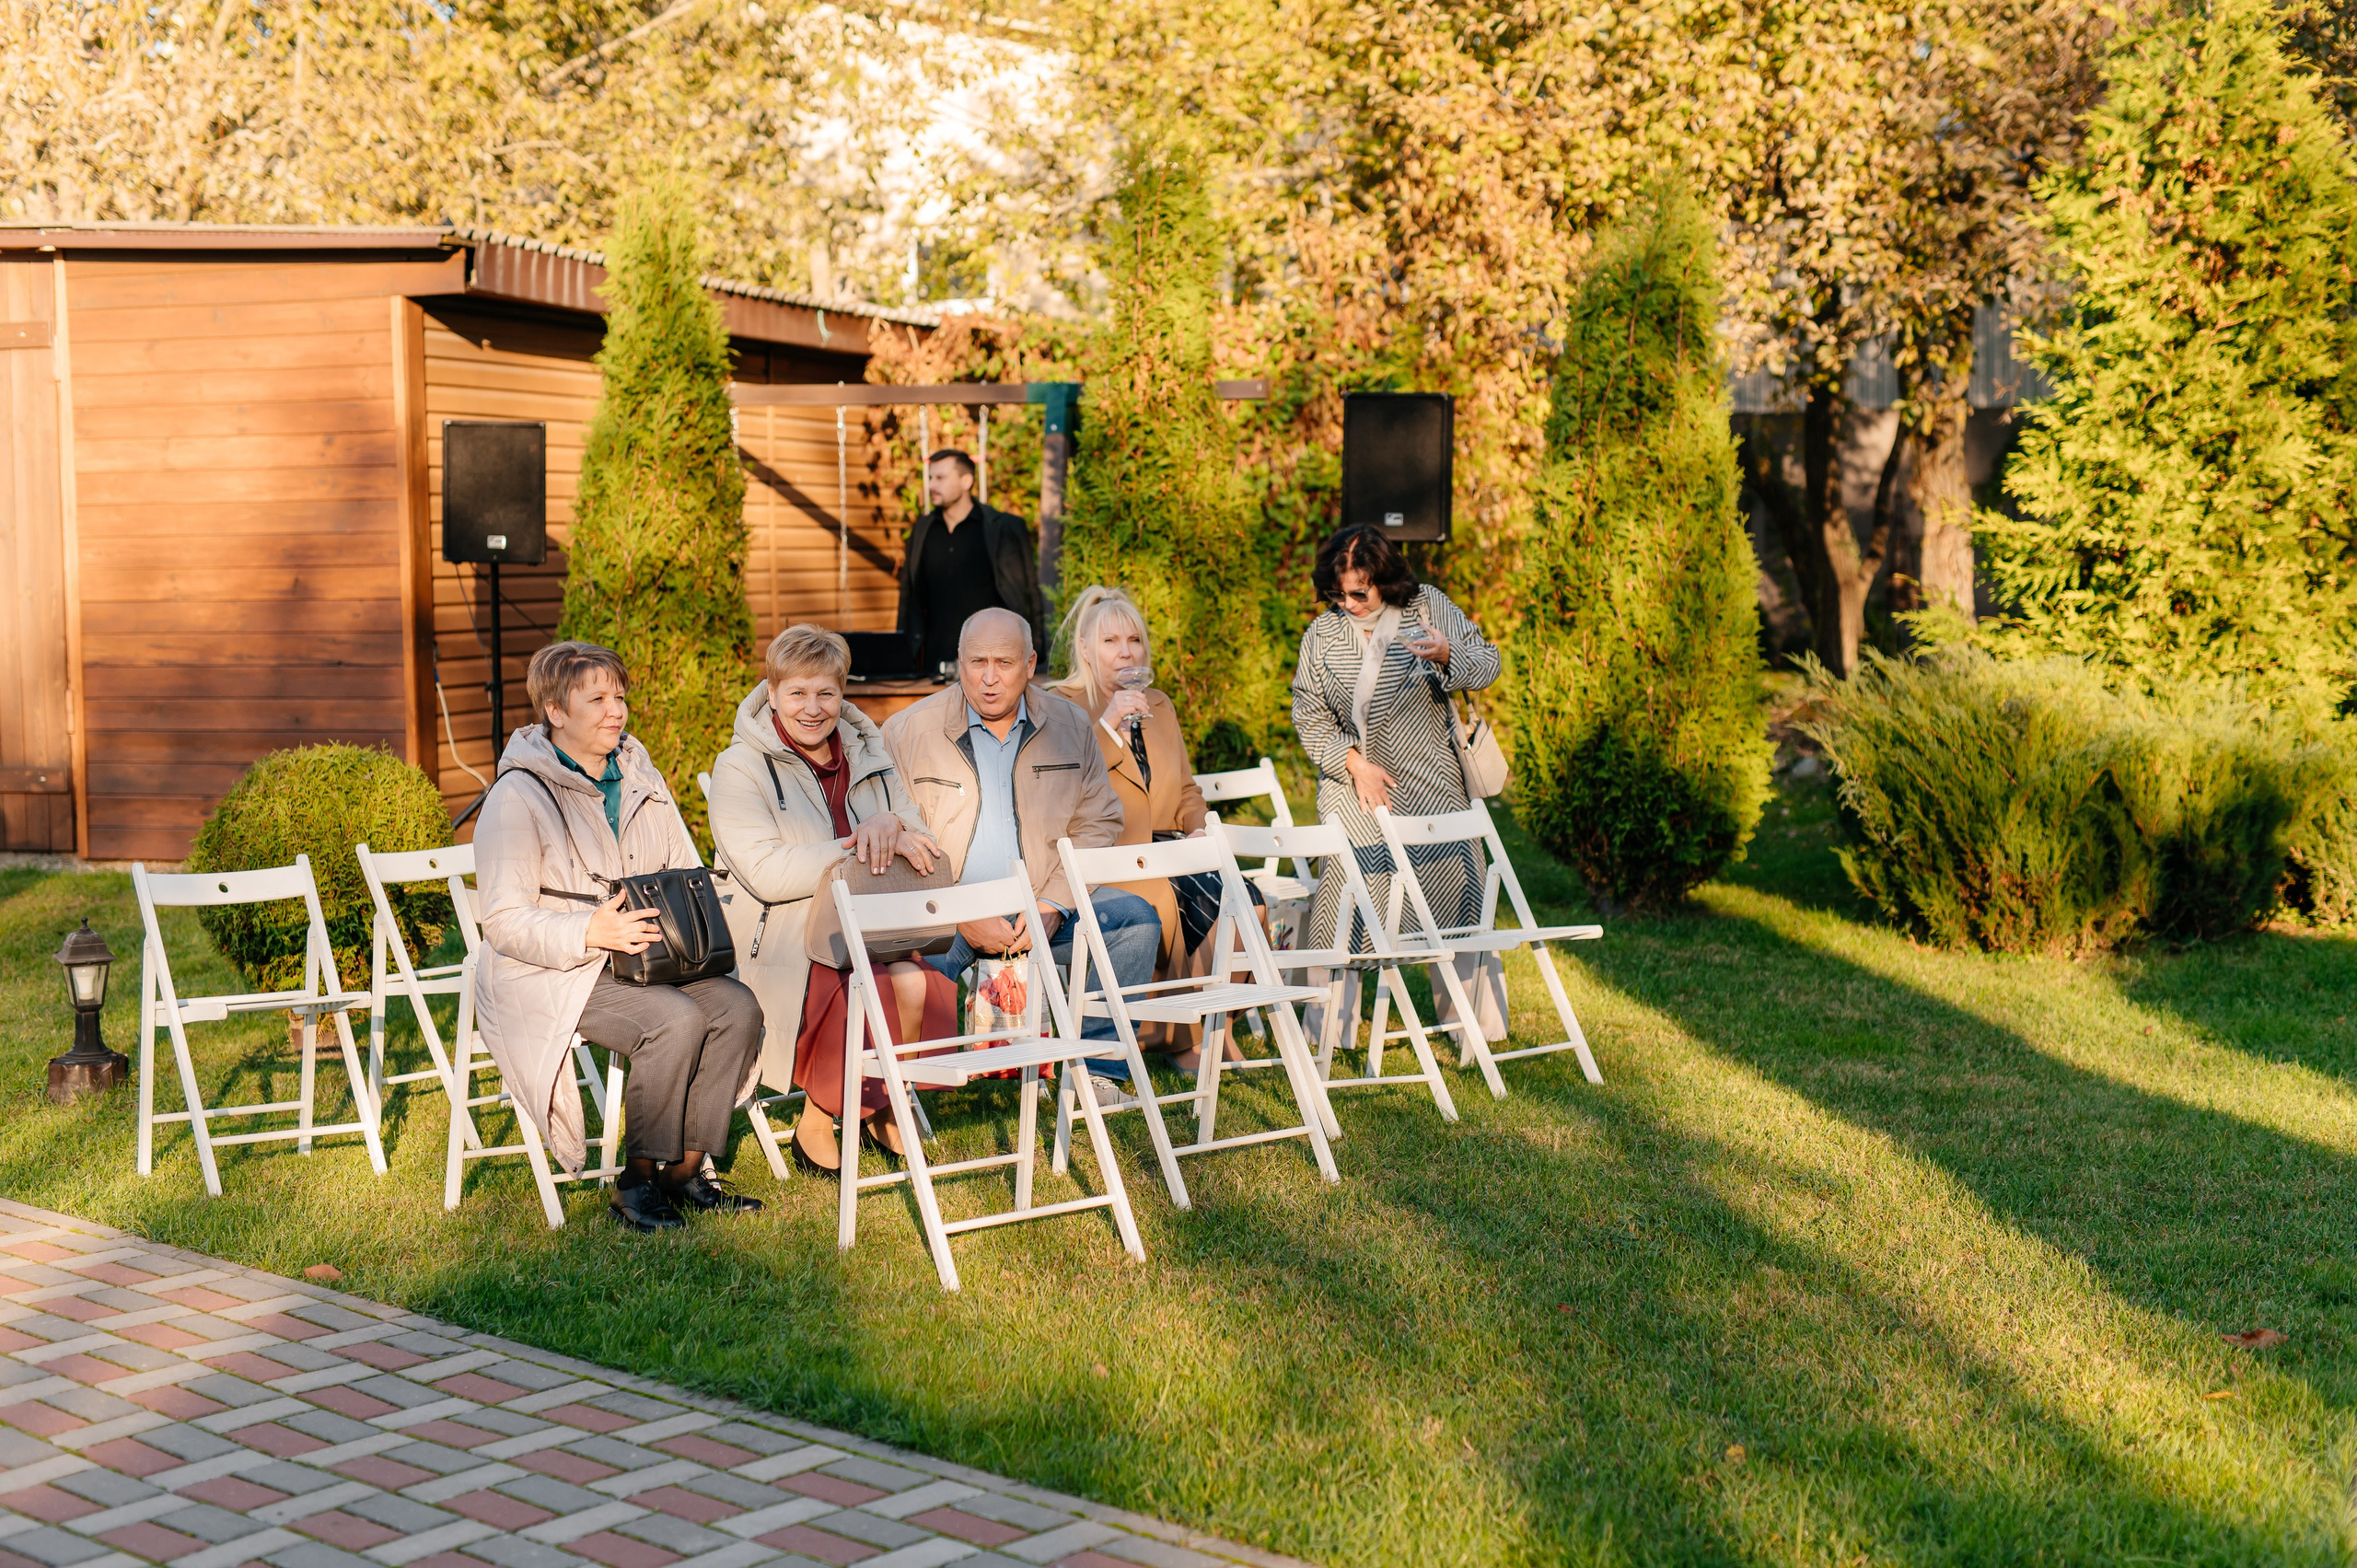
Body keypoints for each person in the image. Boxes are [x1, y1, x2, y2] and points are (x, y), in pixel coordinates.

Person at [472, 641, 766, 1233]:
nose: (617, 711)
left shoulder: (638, 775)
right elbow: (502, 922)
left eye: (621, 697)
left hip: (648, 955)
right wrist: (590, 930)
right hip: (556, 968)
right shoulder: (516, 796)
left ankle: (684, 1172)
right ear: (555, 711)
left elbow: (679, 865)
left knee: (736, 1007)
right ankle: (636, 1182)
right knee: (674, 1020)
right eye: (598, 699)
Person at [707, 625, 957, 1178]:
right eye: (796, 693)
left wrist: (893, 825)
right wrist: (857, 842)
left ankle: (877, 1101)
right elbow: (767, 874)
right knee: (876, 983)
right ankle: (825, 1119)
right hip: (785, 930)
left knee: (919, 980)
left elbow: (917, 838)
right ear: (771, 694)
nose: (813, 708)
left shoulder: (870, 755)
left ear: (843, 695)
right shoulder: (740, 768)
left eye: (826, 693)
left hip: (873, 923)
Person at [881, 607, 1159, 1070]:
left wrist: (1052, 905)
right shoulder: (908, 731)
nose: (989, 679)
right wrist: (959, 909)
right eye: (977, 663)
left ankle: (1098, 1071)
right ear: (959, 660)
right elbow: (892, 833)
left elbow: (1099, 821)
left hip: (1040, 905)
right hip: (944, 908)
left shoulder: (1069, 727)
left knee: (1135, 921)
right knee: (907, 973)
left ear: (1030, 666)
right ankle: (903, 1089)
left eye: (1005, 664)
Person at [1049, 585, 1264, 1069]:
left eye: (1134, 640)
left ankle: (1213, 1026)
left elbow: (1186, 789)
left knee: (1244, 898)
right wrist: (1107, 727)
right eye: (1110, 641)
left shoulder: (1159, 705)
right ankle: (1178, 1039)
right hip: (1105, 854)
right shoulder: (1062, 708)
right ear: (1084, 649)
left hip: (1169, 848)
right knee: (1179, 897)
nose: (1125, 651)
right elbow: (1062, 793)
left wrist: (1198, 828)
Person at [1292, 526, 1502, 962]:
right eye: (1336, 594)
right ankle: (1327, 1027)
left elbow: (1487, 663)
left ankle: (1475, 1026)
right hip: (1356, 787)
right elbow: (1308, 713)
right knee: (1343, 899)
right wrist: (1352, 763)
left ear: (1384, 581)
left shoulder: (1427, 605)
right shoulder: (1321, 635)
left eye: (1359, 593)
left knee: (1458, 899)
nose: (1347, 604)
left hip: (1431, 779)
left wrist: (1448, 655)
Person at [896, 448, 1049, 678]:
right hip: (934, 666)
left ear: (966, 480)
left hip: (992, 666)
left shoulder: (1004, 528)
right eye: (930, 477)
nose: (931, 485)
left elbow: (1028, 595)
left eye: (940, 478)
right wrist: (904, 651)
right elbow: (909, 596)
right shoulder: (922, 529)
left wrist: (1035, 651)